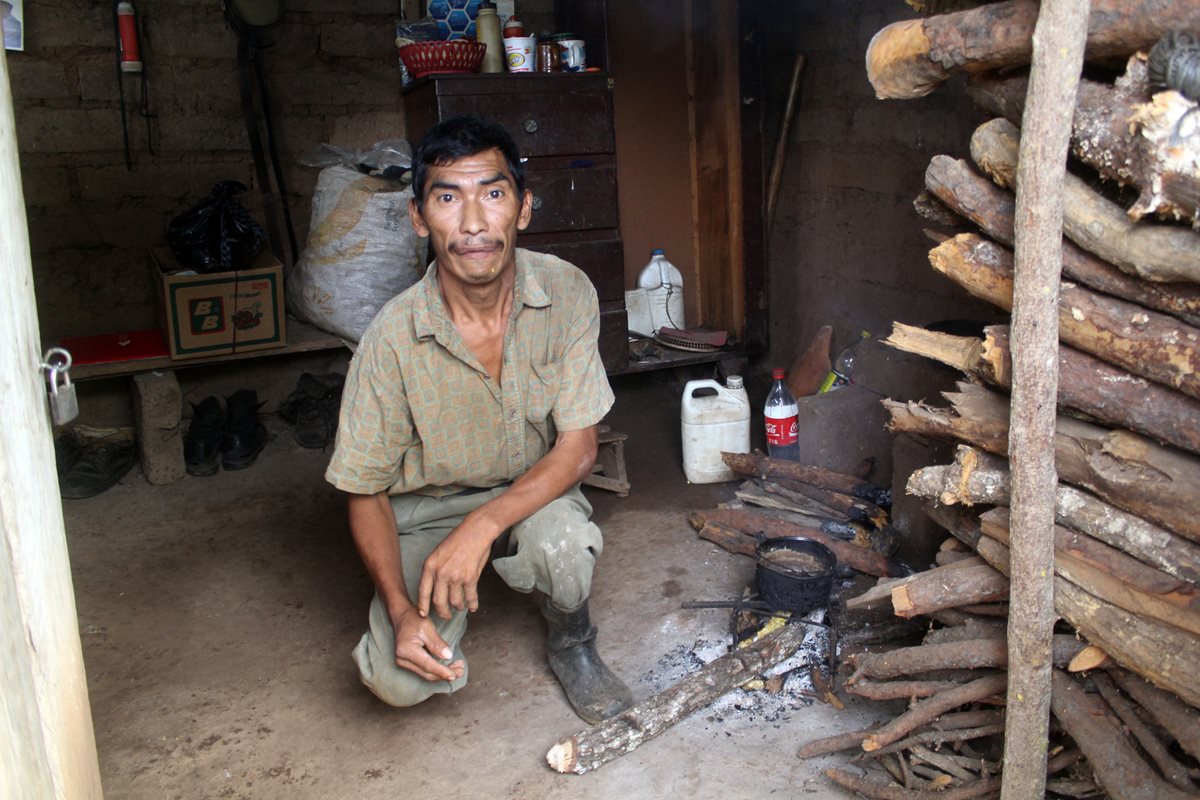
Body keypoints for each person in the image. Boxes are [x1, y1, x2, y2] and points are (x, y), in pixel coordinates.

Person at [325, 114, 634, 724]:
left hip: (532, 487)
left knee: (564, 544)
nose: (472, 223)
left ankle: (572, 641)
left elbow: (576, 450)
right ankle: (423, 606)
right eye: (447, 197)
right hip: (427, 509)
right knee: (399, 682)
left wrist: (483, 526)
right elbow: (364, 492)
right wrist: (401, 609)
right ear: (419, 218)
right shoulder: (390, 339)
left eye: (492, 194)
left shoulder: (566, 292)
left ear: (523, 209)